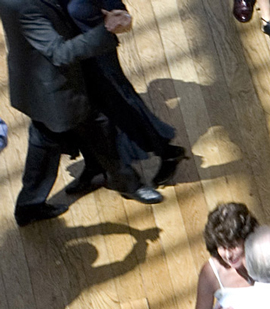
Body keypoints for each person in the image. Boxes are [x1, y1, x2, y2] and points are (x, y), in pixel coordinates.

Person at [0, 0, 162, 227]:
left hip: (39, 87)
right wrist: (105, 30)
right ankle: (128, 184)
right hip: (54, 91)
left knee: (46, 141)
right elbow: (59, 53)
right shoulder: (25, 7)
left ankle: (31, 205)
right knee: (99, 128)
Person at [64, 0, 187, 190]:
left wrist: (121, 16)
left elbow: (120, 14)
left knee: (120, 103)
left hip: (97, 55)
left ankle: (166, 151)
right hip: (72, 54)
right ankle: (95, 165)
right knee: (89, 112)